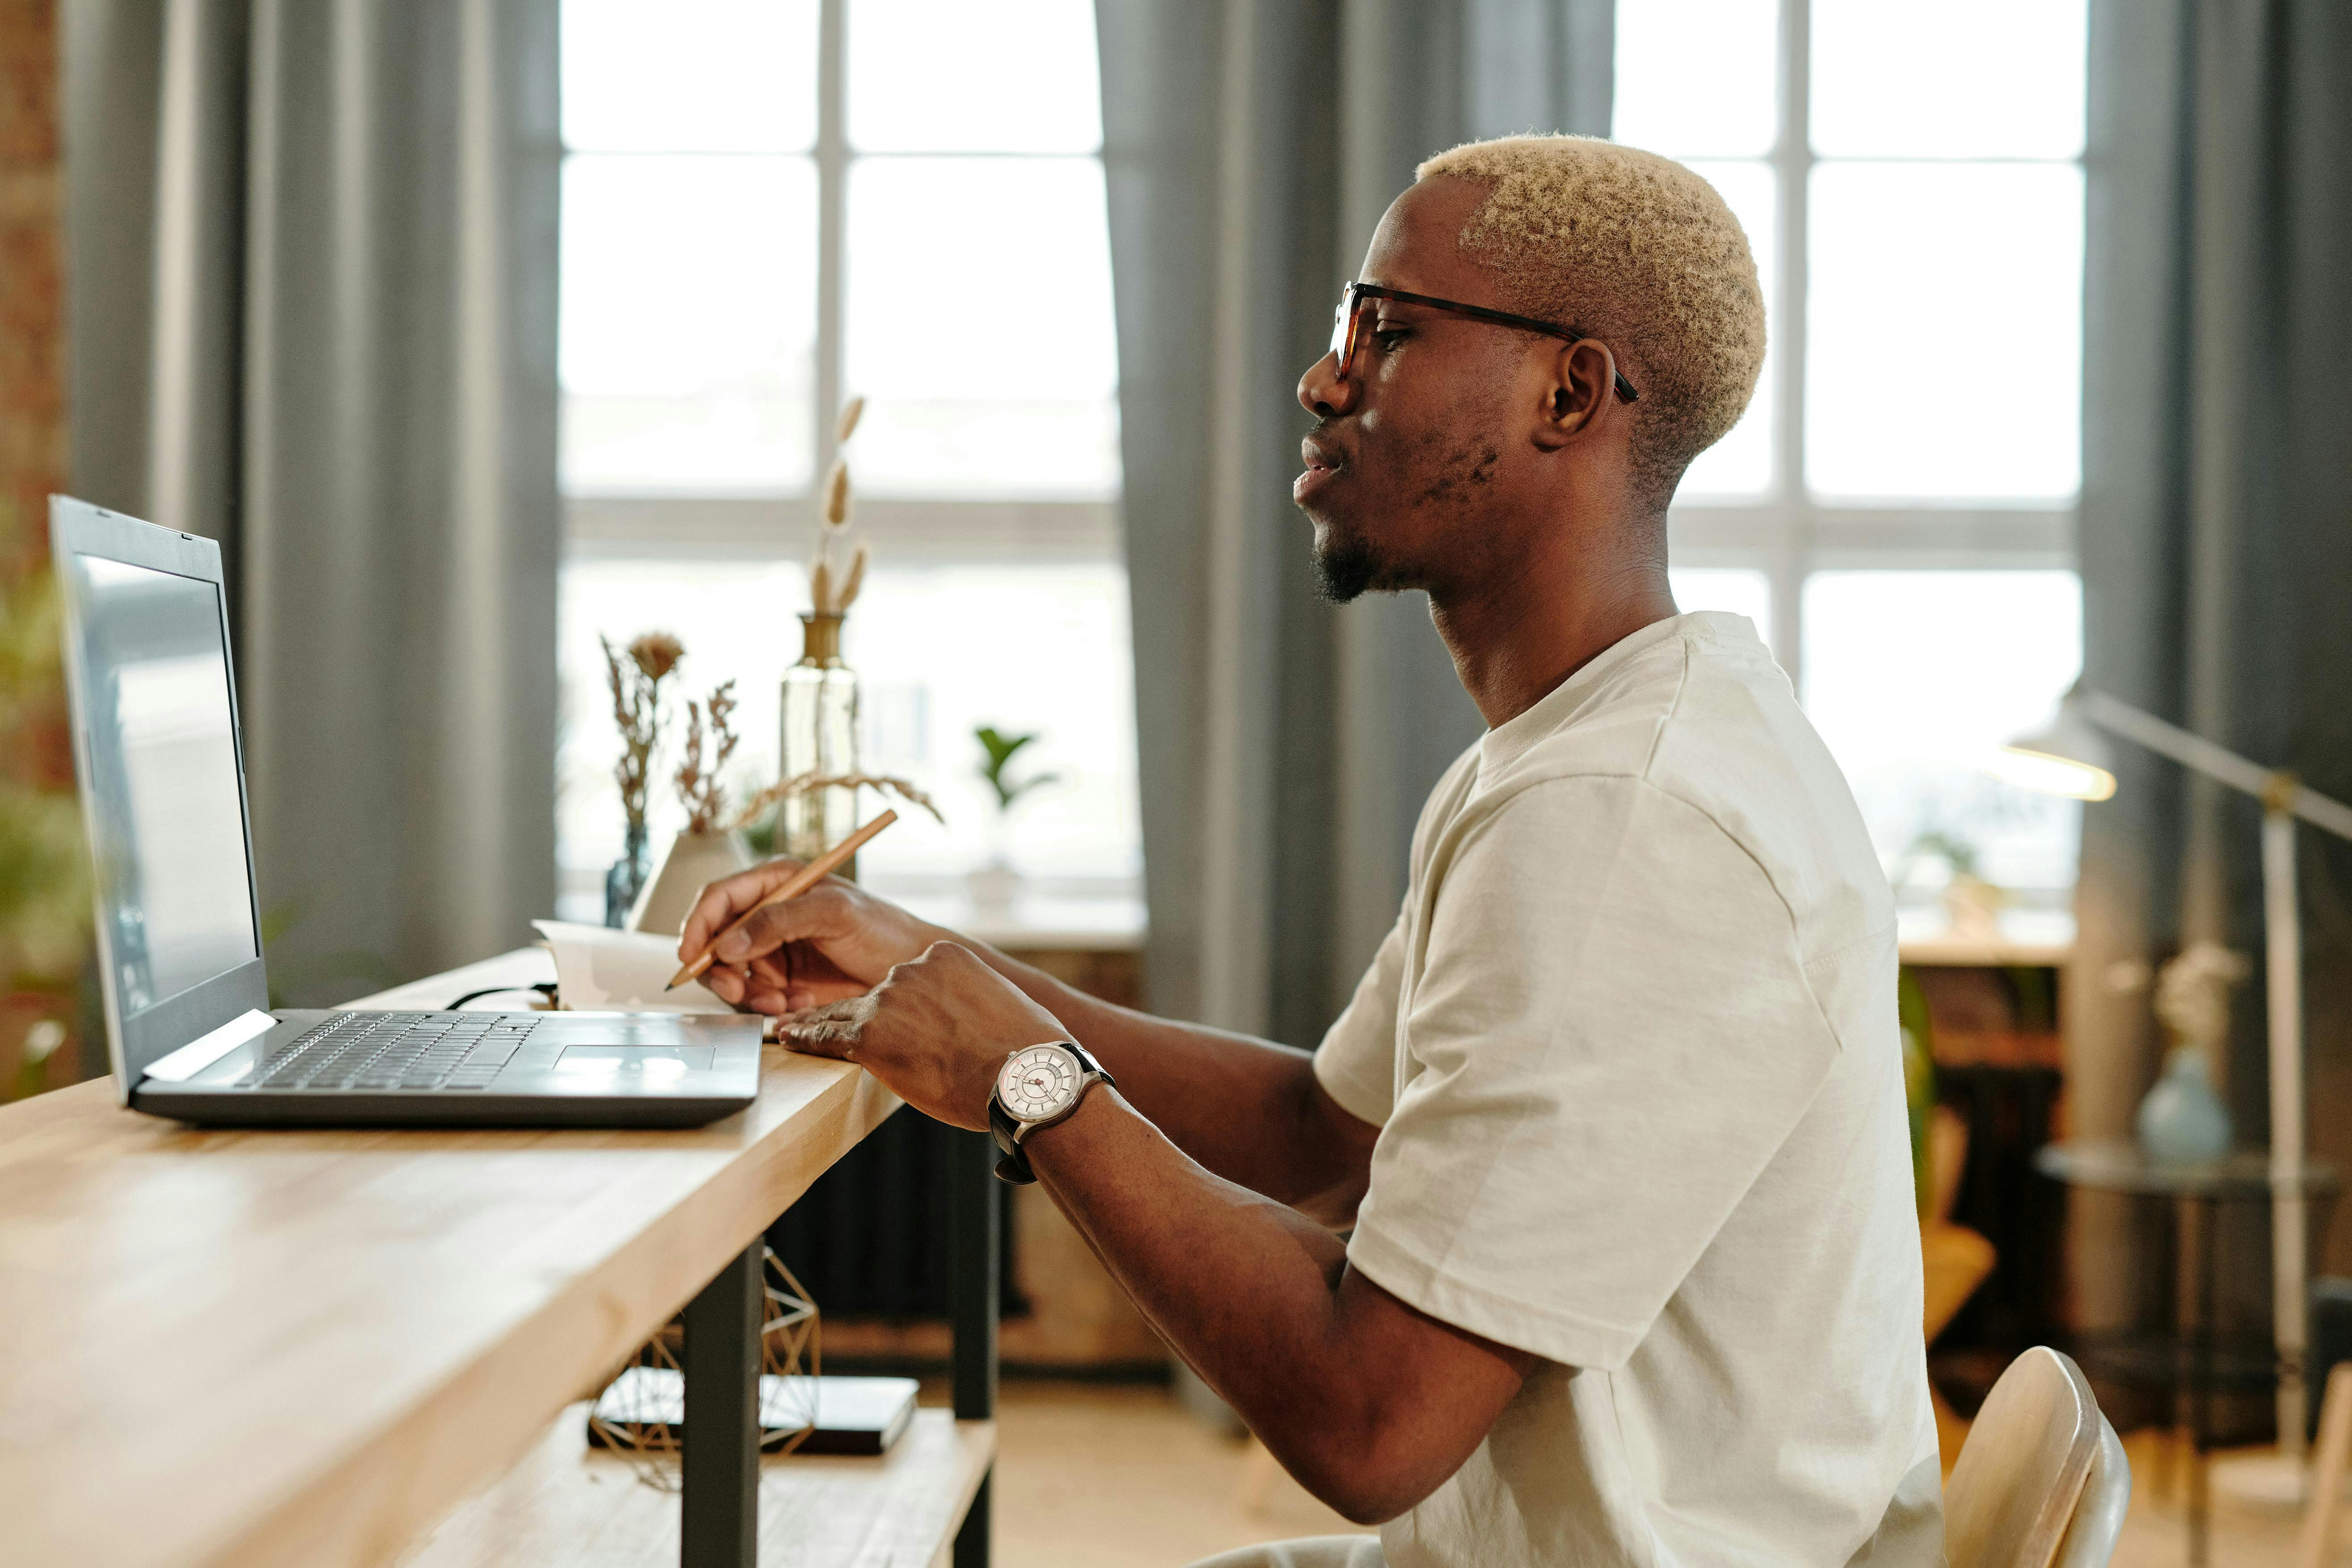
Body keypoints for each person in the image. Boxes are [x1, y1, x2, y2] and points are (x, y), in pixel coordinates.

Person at [681, 134, 1940, 1568]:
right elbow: (1321, 1140)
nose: (1323, 377)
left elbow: (1368, 1422)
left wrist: (1027, 1084)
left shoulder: (1625, 816)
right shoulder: (1579, 751)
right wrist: (933, 962)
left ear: (1569, 391)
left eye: (1386, 330)